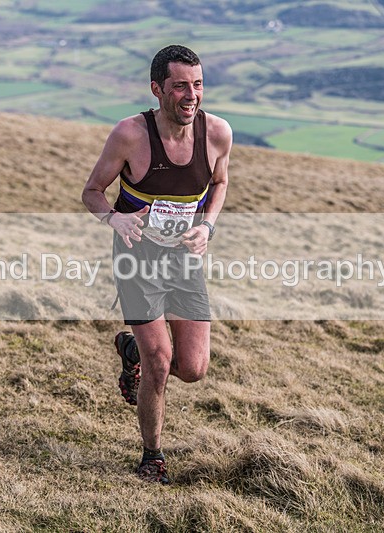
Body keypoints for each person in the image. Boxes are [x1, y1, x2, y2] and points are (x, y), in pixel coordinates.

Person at [81, 45, 232, 485]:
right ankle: (152, 456)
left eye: (198, 84)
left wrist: (208, 227)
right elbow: (92, 191)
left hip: (185, 260)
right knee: (161, 360)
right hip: (137, 260)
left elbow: (220, 183)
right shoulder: (130, 135)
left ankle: (131, 352)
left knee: (193, 368)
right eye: (181, 86)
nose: (192, 95)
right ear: (157, 89)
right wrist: (115, 217)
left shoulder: (218, 133)